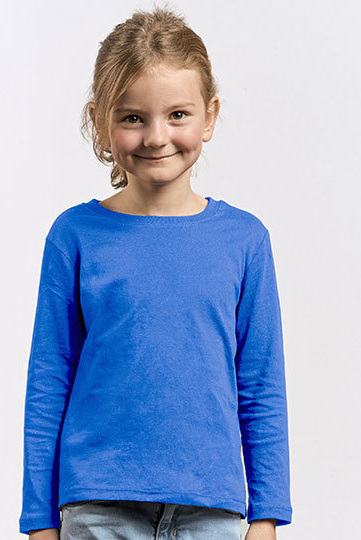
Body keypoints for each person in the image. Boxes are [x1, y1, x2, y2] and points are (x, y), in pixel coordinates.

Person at [19, 5, 293, 540]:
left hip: (211, 512)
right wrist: (38, 521)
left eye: (178, 115)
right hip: (99, 508)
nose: (155, 136)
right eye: (132, 118)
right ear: (100, 120)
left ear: (210, 116)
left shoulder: (244, 240)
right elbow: (49, 379)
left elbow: (261, 384)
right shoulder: (75, 235)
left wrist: (266, 515)